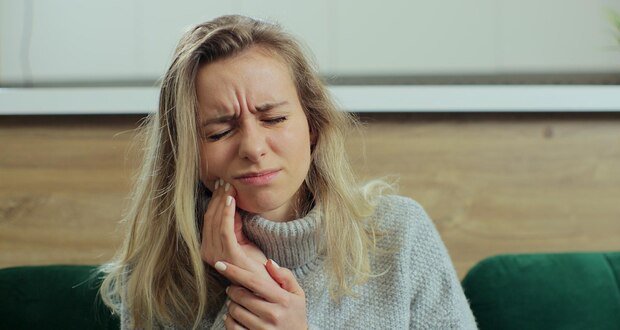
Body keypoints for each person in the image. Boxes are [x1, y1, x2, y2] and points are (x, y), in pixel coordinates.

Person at [99, 15, 477, 329]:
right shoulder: (156, 277)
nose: (252, 147)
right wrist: (246, 281)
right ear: (186, 153)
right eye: (219, 131)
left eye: (275, 118)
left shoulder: (399, 233)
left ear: (312, 126)